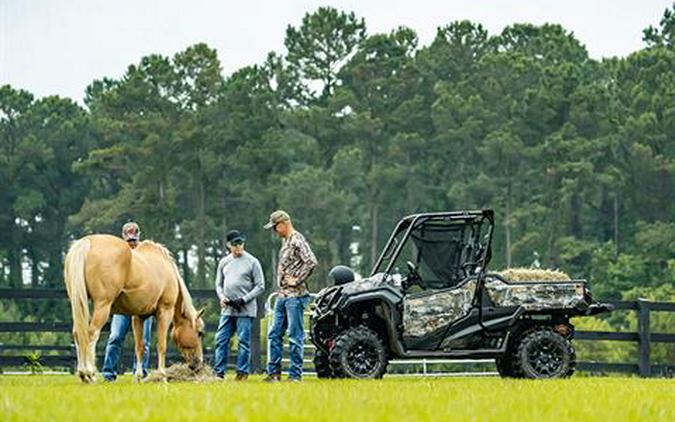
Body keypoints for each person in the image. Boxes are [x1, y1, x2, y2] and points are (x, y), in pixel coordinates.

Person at [263, 210, 317, 382]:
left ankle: (295, 375)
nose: (274, 231)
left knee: (295, 335)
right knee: (274, 334)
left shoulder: (297, 240)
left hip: (295, 296)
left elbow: (311, 261)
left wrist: (297, 279)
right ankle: (274, 373)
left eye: (275, 227)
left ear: (284, 223)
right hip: (282, 295)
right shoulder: (285, 241)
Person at [101, 222, 153, 382]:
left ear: (138, 238)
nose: (131, 243)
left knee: (144, 341)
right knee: (115, 337)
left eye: (134, 240)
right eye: (129, 240)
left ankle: (141, 371)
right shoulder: (116, 258)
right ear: (123, 238)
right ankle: (109, 373)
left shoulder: (146, 257)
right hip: (123, 305)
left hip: (143, 305)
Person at [213, 230, 265, 380]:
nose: (238, 247)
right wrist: (222, 297)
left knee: (243, 342)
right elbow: (218, 284)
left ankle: (242, 373)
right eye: (235, 244)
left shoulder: (252, 262)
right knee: (221, 340)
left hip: (245, 309)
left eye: (240, 243)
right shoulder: (224, 262)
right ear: (229, 245)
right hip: (228, 309)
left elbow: (260, 286)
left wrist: (244, 299)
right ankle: (219, 373)